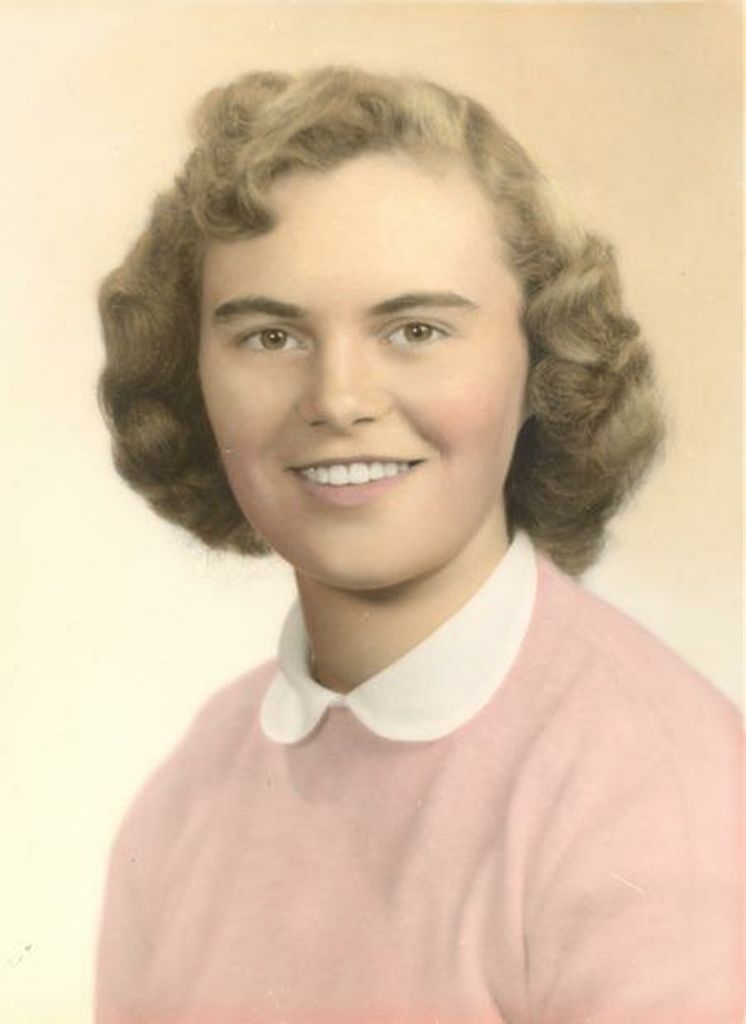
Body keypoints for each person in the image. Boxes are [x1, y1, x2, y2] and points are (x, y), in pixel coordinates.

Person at [94, 66, 743, 1024]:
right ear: (190, 376)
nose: (338, 399)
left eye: (416, 329)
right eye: (271, 337)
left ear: (543, 367)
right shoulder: (190, 791)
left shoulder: (658, 790)